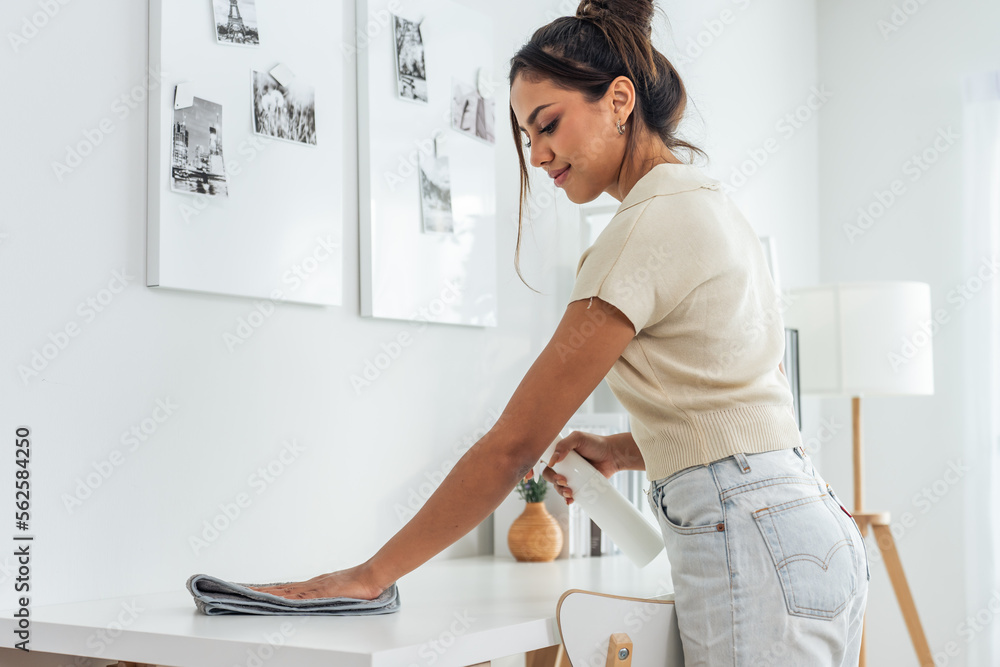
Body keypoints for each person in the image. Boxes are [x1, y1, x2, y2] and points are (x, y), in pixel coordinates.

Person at [252, 1, 870, 664]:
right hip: (810, 527)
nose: (539, 154)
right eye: (525, 135)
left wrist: (368, 576)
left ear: (619, 100)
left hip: (753, 540)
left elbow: (513, 445)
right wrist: (623, 450)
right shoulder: (711, 203)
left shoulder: (643, 228)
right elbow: (743, 404)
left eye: (548, 124)